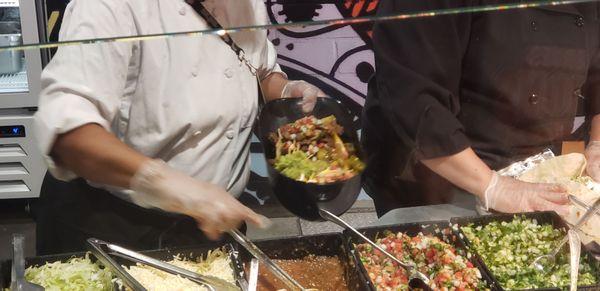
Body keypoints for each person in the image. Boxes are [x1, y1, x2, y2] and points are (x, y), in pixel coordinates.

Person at [32, 0, 324, 255]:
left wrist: (285, 90)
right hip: (113, 223)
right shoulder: (111, 6)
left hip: (211, 226)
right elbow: (68, 133)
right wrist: (162, 181)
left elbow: (257, 68)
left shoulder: (246, 3)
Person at [362, 0, 600, 217]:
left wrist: (598, 144)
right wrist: (493, 186)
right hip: (433, 172)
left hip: (532, 165)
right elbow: (414, 95)